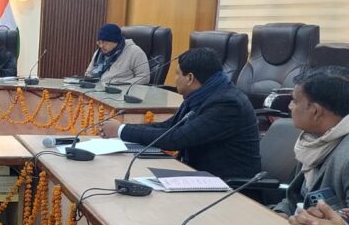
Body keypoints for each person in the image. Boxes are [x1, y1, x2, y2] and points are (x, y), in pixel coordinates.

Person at [101, 48, 261, 181]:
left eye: (177, 74)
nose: (175, 79)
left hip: (230, 187)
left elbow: (177, 138)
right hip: (201, 177)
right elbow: (169, 126)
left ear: (190, 78)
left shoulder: (227, 103)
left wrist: (121, 130)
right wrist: (124, 128)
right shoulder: (202, 95)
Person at [277, 66, 349, 222]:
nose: (290, 106)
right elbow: (295, 198)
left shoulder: (346, 157)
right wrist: (281, 213)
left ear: (315, 112)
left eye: (295, 101)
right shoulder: (313, 141)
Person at [84, 23, 150, 85]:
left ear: (116, 41)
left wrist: (121, 85)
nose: (101, 46)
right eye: (99, 42)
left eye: (105, 43)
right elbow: (89, 73)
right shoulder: (99, 53)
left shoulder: (135, 52)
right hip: (96, 89)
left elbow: (144, 77)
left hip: (120, 91)